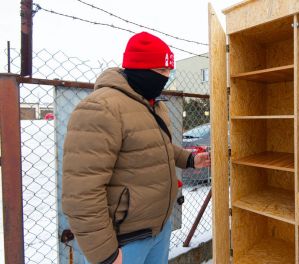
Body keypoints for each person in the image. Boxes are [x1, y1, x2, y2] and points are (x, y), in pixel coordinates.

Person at [62, 32, 211, 264]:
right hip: (124, 241)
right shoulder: (101, 107)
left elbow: (154, 146)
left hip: (158, 228)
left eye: (169, 71)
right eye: (162, 71)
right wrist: (105, 254)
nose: (167, 77)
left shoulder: (152, 104)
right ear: (139, 69)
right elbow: (82, 191)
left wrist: (190, 160)